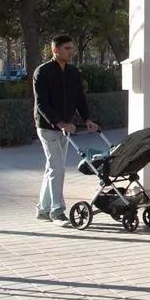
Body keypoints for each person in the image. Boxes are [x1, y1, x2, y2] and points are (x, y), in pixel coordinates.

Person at [33, 35, 99, 226]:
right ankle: (57, 212)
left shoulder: (73, 72)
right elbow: (41, 103)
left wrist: (87, 118)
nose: (71, 51)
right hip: (48, 128)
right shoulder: (42, 72)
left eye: (72, 48)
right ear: (55, 50)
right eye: (67, 48)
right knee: (58, 168)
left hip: (65, 128)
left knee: (53, 167)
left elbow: (79, 97)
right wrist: (59, 123)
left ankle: (43, 209)